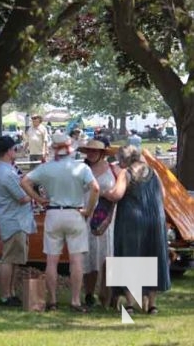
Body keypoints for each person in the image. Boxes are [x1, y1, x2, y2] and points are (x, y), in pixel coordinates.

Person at [21, 132, 100, 313]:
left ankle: (53, 300)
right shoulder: (81, 168)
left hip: (54, 213)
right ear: (69, 148)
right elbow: (95, 188)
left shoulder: (46, 168)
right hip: (75, 213)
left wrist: (38, 199)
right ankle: (75, 301)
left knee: (51, 260)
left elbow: (24, 181)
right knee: (76, 260)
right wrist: (89, 210)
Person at [104, 145, 170, 315]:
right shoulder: (153, 172)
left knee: (129, 256)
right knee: (152, 255)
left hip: (132, 219)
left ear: (124, 160)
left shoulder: (125, 173)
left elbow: (117, 194)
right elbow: (162, 194)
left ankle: (131, 304)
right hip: (155, 219)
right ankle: (152, 305)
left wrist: (105, 193)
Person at [0, 136, 36, 307]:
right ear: (9, 151)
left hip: (17, 220)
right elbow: (23, 197)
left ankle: (11, 292)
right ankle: (5, 295)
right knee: (8, 259)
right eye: (14, 149)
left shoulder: (9, 170)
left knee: (16, 259)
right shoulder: (6, 173)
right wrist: (34, 192)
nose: (16, 152)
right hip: (13, 221)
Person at [77, 139, 116, 308]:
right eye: (88, 150)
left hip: (108, 219)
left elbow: (119, 191)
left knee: (108, 257)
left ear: (102, 152)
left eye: (95, 150)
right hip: (86, 217)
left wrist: (109, 194)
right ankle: (89, 294)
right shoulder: (81, 169)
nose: (91, 153)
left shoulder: (114, 169)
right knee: (89, 257)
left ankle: (106, 295)